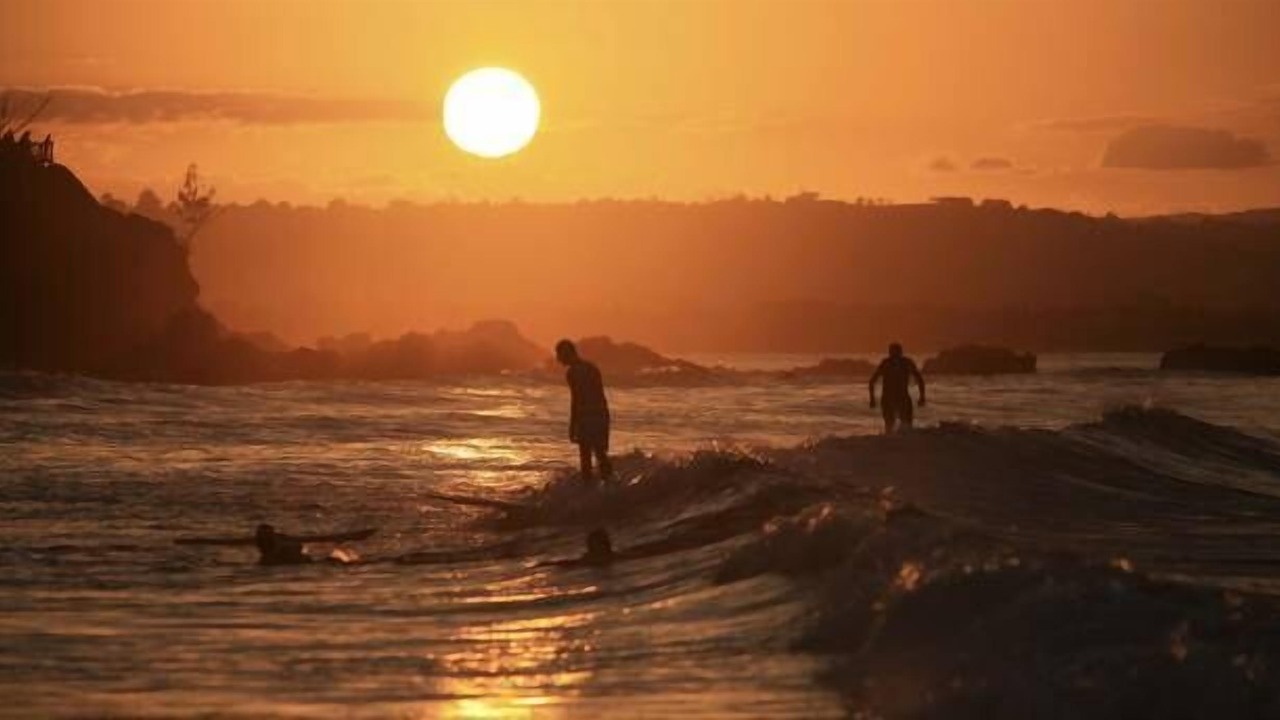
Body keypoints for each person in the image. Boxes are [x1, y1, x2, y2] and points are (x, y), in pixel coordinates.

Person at [555, 339, 612, 482]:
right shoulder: (591, 367)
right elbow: (600, 395)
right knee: (600, 454)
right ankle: (611, 486)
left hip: (587, 417)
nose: (558, 359)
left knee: (586, 458)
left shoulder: (573, 372)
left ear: (567, 353)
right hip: (601, 414)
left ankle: (588, 490)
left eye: (559, 354)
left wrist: (573, 425)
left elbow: (577, 399)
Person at [868, 342, 926, 434]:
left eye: (897, 352)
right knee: (890, 425)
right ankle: (892, 440)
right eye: (893, 352)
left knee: (906, 425)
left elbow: (919, 379)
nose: (895, 355)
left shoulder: (906, 363)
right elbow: (872, 381)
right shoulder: (886, 363)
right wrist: (872, 399)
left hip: (902, 398)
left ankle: (901, 440)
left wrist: (922, 396)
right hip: (889, 398)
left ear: (901, 352)